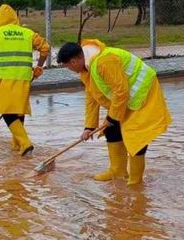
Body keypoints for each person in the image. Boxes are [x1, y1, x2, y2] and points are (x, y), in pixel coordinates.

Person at [56, 40, 171, 185]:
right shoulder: (86, 69)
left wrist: (113, 117)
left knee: (136, 138)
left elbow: (121, 91)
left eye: (67, 66)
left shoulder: (104, 62)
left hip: (144, 94)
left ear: (73, 62)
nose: (69, 69)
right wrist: (89, 127)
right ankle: (118, 172)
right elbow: (92, 97)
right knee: (110, 130)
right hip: (126, 101)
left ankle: (135, 181)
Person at [0, 4, 50, 156]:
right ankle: (17, 144)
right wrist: (39, 67)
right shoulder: (28, 33)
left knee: (7, 110)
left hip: (4, 77)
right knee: (18, 108)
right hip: (24, 77)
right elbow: (45, 48)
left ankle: (25, 142)